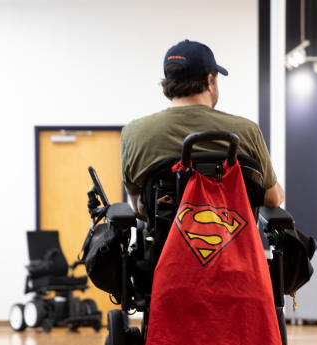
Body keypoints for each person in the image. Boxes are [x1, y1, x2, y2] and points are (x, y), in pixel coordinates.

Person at [121, 39, 285, 219]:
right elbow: (272, 199)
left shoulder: (135, 133)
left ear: (168, 83)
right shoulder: (246, 131)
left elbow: (139, 209)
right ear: (210, 81)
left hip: (166, 247)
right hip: (232, 245)